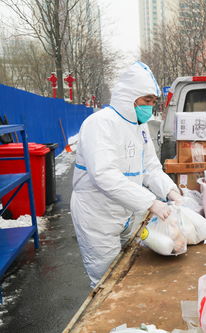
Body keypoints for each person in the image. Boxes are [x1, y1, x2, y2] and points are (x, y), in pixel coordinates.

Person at [70, 61, 183, 286]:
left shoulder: (138, 126)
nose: (150, 107)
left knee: (126, 270)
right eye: (146, 101)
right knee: (105, 280)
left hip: (125, 212)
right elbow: (104, 175)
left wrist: (171, 192)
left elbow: (150, 166)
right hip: (97, 215)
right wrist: (151, 202)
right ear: (130, 97)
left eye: (153, 102)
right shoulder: (99, 124)